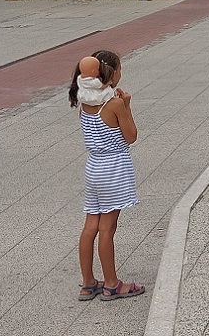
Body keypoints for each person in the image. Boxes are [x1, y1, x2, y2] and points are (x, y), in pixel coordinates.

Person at [68, 50, 145, 301]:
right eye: (120, 68)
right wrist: (127, 106)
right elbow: (131, 136)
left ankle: (88, 282)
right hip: (113, 169)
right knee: (107, 228)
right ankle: (112, 284)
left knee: (91, 226)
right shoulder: (113, 104)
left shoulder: (84, 101)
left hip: (93, 168)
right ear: (111, 74)